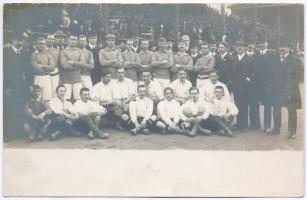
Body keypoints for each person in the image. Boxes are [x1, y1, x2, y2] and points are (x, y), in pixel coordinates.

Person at [269, 41, 302, 139]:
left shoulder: (295, 60)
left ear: (289, 48)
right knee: (276, 109)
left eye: (285, 46)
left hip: (290, 89)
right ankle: (276, 129)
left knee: (291, 110)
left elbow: (298, 76)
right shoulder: (274, 59)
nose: (282, 49)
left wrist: (289, 86)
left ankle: (292, 132)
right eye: (281, 46)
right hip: (276, 89)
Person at [4, 33, 32, 141]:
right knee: (9, 109)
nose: (21, 43)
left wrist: (29, 84)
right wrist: (6, 87)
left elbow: (28, 70)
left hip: (23, 87)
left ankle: (19, 132)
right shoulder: (5, 53)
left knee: (21, 108)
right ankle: (8, 133)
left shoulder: (25, 52)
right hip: (10, 87)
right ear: (13, 40)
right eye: (19, 40)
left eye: (23, 40)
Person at [229, 39, 253, 132]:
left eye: (242, 46)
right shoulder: (233, 58)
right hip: (236, 85)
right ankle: (239, 123)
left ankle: (244, 125)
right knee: (237, 104)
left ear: (245, 48)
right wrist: (231, 80)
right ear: (235, 48)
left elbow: (253, 71)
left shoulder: (249, 58)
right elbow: (229, 71)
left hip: (245, 85)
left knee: (244, 105)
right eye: (238, 46)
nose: (240, 48)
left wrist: (248, 78)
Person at [254, 38, 275, 133]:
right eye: (260, 43)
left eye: (264, 43)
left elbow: (273, 71)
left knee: (267, 105)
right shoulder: (256, 55)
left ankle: (267, 126)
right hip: (257, 85)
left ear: (267, 43)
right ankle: (256, 125)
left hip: (267, 85)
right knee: (255, 105)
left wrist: (270, 84)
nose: (262, 45)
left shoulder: (272, 55)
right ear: (258, 45)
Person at [60, 34, 85, 100]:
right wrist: (78, 65)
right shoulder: (63, 51)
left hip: (77, 79)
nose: (73, 41)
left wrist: (73, 63)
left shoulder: (80, 51)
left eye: (75, 40)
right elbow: (64, 65)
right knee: (65, 99)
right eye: (71, 39)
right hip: (66, 79)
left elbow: (83, 64)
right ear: (68, 40)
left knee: (79, 99)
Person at [31, 36, 55, 101]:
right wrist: (47, 67)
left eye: (43, 44)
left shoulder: (48, 54)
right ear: (36, 44)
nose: (42, 45)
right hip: (38, 78)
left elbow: (53, 67)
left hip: (47, 77)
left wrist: (42, 66)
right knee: (37, 98)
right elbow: (36, 68)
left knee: (47, 98)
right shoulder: (33, 55)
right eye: (40, 43)